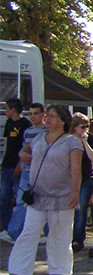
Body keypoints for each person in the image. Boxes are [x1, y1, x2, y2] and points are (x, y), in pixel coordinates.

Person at [6, 105, 83, 275]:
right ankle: (19, 272)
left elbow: (76, 169)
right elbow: (24, 150)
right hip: (38, 196)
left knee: (60, 235)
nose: (47, 119)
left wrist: (75, 192)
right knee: (29, 233)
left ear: (63, 120)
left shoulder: (72, 142)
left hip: (62, 197)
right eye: (47, 115)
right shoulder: (40, 137)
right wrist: (23, 155)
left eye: (52, 116)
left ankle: (60, 271)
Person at [1, 103, 46, 244]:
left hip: (42, 172)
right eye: (31, 113)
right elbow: (24, 150)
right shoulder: (28, 132)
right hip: (27, 171)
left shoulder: (47, 131)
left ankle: (48, 233)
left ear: (43, 114)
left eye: (36, 113)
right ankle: (13, 233)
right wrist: (20, 164)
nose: (33, 116)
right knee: (21, 201)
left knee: (44, 202)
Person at [71, 113, 93, 252]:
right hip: (71, 178)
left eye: (87, 126)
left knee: (81, 209)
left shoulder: (90, 139)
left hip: (87, 177)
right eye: (82, 127)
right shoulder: (68, 139)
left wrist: (85, 142)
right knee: (70, 208)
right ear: (74, 126)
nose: (85, 130)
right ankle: (67, 238)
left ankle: (78, 239)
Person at [2, 98, 30, 232]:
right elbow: (7, 142)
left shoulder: (25, 124)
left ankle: (17, 228)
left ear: (13, 109)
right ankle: (5, 227)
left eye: (7, 108)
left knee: (19, 198)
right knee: (4, 196)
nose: (5, 111)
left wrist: (20, 164)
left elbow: (26, 147)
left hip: (18, 164)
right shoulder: (8, 123)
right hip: (7, 163)